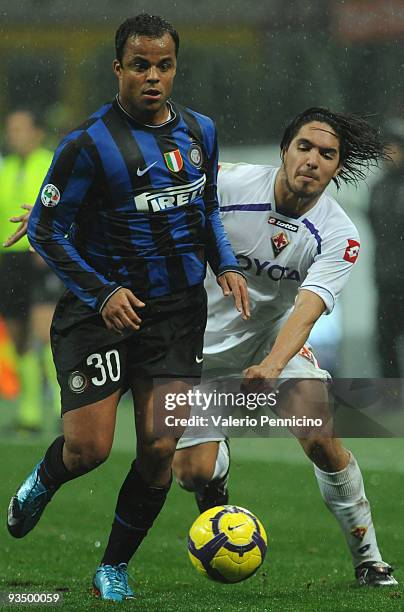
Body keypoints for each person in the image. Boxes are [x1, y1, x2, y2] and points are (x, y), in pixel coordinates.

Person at [6, 14, 248, 603]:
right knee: (88, 450)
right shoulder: (86, 144)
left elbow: (207, 208)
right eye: (140, 65)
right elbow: (45, 229)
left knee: (160, 446)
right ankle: (45, 478)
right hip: (100, 315)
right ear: (119, 69)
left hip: (176, 314)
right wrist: (104, 292)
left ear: (174, 68)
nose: (153, 76)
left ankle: (112, 567)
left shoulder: (201, 131)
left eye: (164, 65)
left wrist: (226, 264)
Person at [172, 108, 397, 587]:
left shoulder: (340, 234)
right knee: (192, 473)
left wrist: (272, 366)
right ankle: (218, 469)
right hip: (199, 355)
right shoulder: (228, 186)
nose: (313, 160)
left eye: (327, 154)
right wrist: (64, 219)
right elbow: (149, 203)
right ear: (284, 150)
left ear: (338, 167)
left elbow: (307, 309)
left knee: (320, 435)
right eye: (304, 147)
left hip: (274, 347)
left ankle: (369, 558)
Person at [0, 110, 56, 432]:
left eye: (20, 129)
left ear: (36, 133)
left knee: (44, 333)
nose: (14, 135)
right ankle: (29, 413)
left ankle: (64, 409)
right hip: (9, 260)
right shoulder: (5, 168)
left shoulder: (50, 163)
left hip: (40, 256)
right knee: (18, 336)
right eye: (10, 129)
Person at [368, 118, 404, 386]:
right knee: (385, 337)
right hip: (386, 278)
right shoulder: (378, 188)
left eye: (394, 148)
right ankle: (392, 393)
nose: (388, 154)